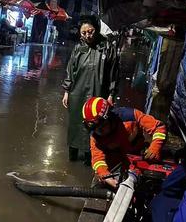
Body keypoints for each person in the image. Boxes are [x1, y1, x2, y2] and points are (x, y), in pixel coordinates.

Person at [62, 15, 120, 162]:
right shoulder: (78, 49)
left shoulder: (107, 48)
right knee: (75, 124)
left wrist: (111, 95)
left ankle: (91, 157)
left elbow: (114, 73)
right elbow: (70, 70)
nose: (88, 35)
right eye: (84, 33)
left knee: (96, 125)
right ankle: (72, 156)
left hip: (98, 94)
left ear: (97, 29)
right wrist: (66, 91)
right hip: (77, 94)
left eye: (91, 31)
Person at [82, 96, 167, 189]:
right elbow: (97, 159)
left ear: (109, 118)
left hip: (137, 156)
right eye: (96, 129)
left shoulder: (130, 116)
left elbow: (158, 127)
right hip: (115, 163)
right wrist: (105, 175)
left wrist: (155, 146)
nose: (99, 132)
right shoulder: (95, 135)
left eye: (102, 128)